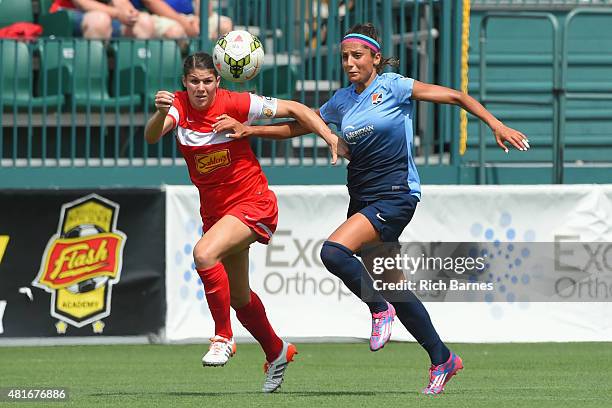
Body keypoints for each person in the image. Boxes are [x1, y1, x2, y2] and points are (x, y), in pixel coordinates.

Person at [212, 23, 530, 395]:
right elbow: (299, 127)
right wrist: (250, 131)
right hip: (363, 198)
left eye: (357, 56)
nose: (349, 62)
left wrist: (495, 124)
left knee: (332, 252)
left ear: (375, 58)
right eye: (345, 56)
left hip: (395, 195)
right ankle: (442, 358)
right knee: (396, 288)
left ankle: (378, 310)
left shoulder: (393, 86)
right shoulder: (343, 100)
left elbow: (457, 97)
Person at [144, 52, 340, 393]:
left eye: (207, 81)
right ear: (184, 83)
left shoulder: (236, 102)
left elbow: (297, 109)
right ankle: (277, 351)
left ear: (218, 81)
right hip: (217, 213)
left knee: (204, 254)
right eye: (194, 82)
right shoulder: (177, 105)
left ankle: (223, 337)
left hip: (253, 202)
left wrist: (329, 137)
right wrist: (159, 112)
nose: (201, 88)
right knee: (239, 299)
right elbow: (152, 135)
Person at [49, 0, 155, 39]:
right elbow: (83, 4)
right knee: (99, 20)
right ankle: (92, 79)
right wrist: (118, 14)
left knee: (144, 22)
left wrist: (130, 13)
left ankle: (131, 81)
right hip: (66, 16)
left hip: (105, 15)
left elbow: (121, 3)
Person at [132, 0, 233, 40]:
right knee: (175, 32)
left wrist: (199, 19)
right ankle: (185, 71)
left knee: (225, 25)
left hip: (193, 17)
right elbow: (151, 3)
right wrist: (184, 23)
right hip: (162, 17)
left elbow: (203, 3)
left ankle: (215, 69)